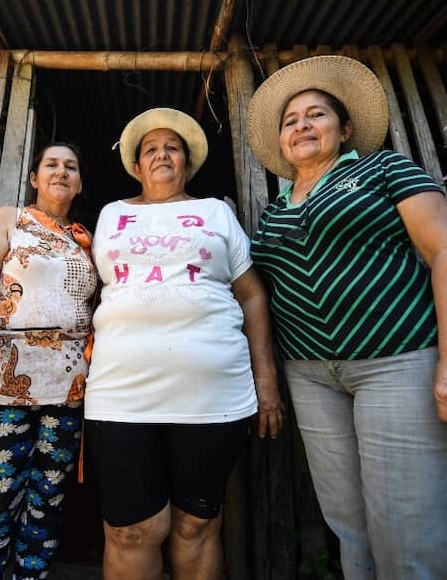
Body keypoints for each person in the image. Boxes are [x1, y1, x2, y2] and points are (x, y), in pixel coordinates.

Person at [245, 55, 447, 579]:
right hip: (312, 375)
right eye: (290, 120)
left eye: (316, 115)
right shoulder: (272, 212)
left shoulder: (383, 169)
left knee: (412, 535)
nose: (301, 126)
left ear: (345, 129)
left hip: (400, 362)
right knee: (351, 528)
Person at [84, 108, 285, 580]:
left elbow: (252, 294)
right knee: (132, 530)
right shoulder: (112, 214)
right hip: (121, 392)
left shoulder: (216, 211)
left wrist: (267, 380)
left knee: (196, 524)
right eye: (150, 149)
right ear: (136, 166)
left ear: (188, 163)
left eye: (172, 147)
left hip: (213, 393)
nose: (161, 155)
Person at [0, 142, 97, 580]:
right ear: (34, 178)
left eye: (71, 166)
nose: (61, 172)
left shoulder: (86, 239)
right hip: (5, 382)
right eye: (51, 164)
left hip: (68, 389)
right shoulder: (10, 219)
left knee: (48, 499)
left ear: (80, 181)